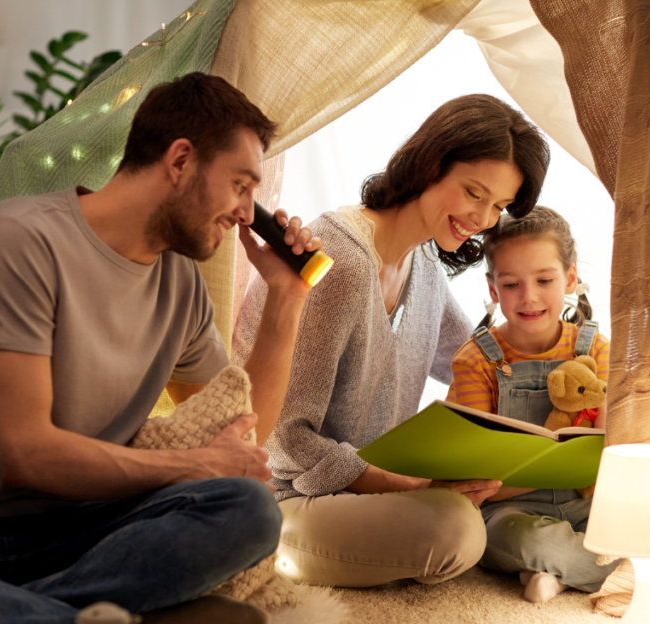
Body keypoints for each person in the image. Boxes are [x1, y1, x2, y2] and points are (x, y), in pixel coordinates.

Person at [0, 73, 322, 624]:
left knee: (249, 511)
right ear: (180, 159)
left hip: (75, 529)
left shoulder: (180, 284)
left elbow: (242, 434)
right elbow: (26, 452)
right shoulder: (18, 242)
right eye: (240, 185)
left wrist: (285, 299)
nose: (247, 214)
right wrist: (189, 465)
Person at [232, 94, 550, 588]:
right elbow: (284, 441)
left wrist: (572, 365)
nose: (484, 219)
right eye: (473, 193)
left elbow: (477, 359)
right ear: (430, 164)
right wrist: (409, 484)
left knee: (477, 508)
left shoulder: (421, 261)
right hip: (282, 497)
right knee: (456, 531)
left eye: (499, 206)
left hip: (363, 491)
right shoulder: (342, 262)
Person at [445, 206, 619, 603]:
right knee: (525, 539)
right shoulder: (475, 360)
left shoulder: (595, 347)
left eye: (544, 280)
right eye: (511, 285)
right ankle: (591, 569)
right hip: (510, 511)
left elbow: (607, 445)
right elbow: (479, 474)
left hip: (582, 502)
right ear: (492, 289)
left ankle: (553, 576)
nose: (529, 297)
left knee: (643, 524)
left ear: (570, 278)